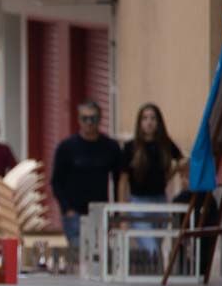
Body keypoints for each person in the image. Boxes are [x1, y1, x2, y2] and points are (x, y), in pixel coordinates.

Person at [51, 101, 122, 248]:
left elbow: (119, 179)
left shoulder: (110, 147)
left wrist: (116, 211)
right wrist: (67, 209)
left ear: (100, 119)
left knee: (100, 254)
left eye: (93, 118)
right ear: (78, 120)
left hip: (100, 212)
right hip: (75, 213)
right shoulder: (67, 147)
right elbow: (56, 181)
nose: (89, 123)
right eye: (85, 118)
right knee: (80, 254)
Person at [119, 103, 184, 256]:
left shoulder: (166, 145)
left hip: (160, 201)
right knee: (151, 248)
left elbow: (183, 162)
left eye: (153, 118)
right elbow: (123, 180)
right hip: (138, 204)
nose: (149, 122)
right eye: (145, 118)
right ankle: (156, 275)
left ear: (159, 122)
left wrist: (172, 173)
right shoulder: (130, 147)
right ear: (139, 122)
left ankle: (153, 276)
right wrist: (122, 211)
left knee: (156, 245)